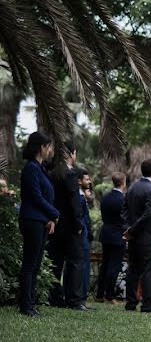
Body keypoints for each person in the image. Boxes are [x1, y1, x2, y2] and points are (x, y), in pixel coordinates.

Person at [17, 132, 59, 317]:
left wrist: (50, 218)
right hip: (32, 220)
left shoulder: (40, 168)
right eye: (48, 146)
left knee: (35, 265)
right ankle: (25, 305)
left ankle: (31, 303)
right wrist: (54, 213)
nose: (50, 150)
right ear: (41, 147)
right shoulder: (31, 168)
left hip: (41, 221)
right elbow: (36, 196)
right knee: (29, 264)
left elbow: (46, 195)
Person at [48, 140, 85, 310]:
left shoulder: (53, 173)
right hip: (70, 225)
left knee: (56, 261)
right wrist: (78, 224)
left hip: (55, 224)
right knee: (75, 261)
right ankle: (75, 300)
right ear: (72, 153)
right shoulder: (70, 174)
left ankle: (55, 297)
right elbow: (74, 202)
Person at [122, 159, 151, 313]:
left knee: (133, 269)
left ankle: (130, 303)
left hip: (133, 237)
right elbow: (148, 215)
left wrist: (128, 229)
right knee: (148, 270)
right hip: (147, 236)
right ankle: (148, 305)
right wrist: (131, 229)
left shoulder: (132, 187)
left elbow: (124, 209)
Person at [96, 172, 126, 304]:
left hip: (106, 232)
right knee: (114, 266)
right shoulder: (123, 200)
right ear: (123, 183)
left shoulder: (106, 198)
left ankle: (99, 294)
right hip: (118, 234)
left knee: (105, 265)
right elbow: (124, 218)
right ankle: (110, 295)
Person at [76, 168, 94, 307]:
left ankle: (82, 298)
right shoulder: (78, 196)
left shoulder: (82, 196)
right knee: (82, 267)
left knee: (85, 267)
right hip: (81, 236)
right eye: (87, 179)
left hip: (85, 235)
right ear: (79, 181)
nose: (89, 182)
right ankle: (80, 299)